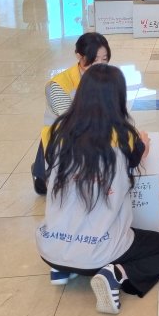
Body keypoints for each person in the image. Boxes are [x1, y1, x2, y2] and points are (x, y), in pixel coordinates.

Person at [37, 64, 159, 314]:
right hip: (98, 253)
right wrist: (143, 143)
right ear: (118, 98)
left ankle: (62, 268)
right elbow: (139, 156)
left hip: (49, 247)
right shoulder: (125, 139)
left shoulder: (57, 131)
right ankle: (116, 274)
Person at [31, 32, 111, 195]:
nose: (100, 65)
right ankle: (41, 172)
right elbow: (73, 125)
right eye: (94, 60)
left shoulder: (107, 77)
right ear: (79, 56)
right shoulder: (59, 85)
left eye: (104, 59)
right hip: (64, 137)